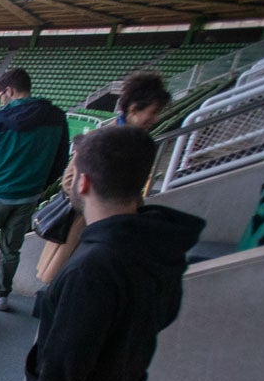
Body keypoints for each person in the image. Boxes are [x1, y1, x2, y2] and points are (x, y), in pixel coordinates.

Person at [14, 125, 204, 381]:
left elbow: (66, 362)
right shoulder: (153, 242)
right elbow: (165, 314)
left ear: (83, 181)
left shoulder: (92, 268)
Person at [37, 71, 172, 285]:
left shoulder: (140, 143)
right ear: (134, 107)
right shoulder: (98, 139)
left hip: (112, 232)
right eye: (152, 112)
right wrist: (98, 206)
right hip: (85, 227)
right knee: (66, 282)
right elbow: (69, 180)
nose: (155, 119)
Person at [0, 68, 69, 313]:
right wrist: (42, 186)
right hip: (29, 196)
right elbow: (60, 160)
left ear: (9, 90)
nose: (1, 101)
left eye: (1, 95)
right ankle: (2, 296)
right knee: (11, 249)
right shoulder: (57, 117)